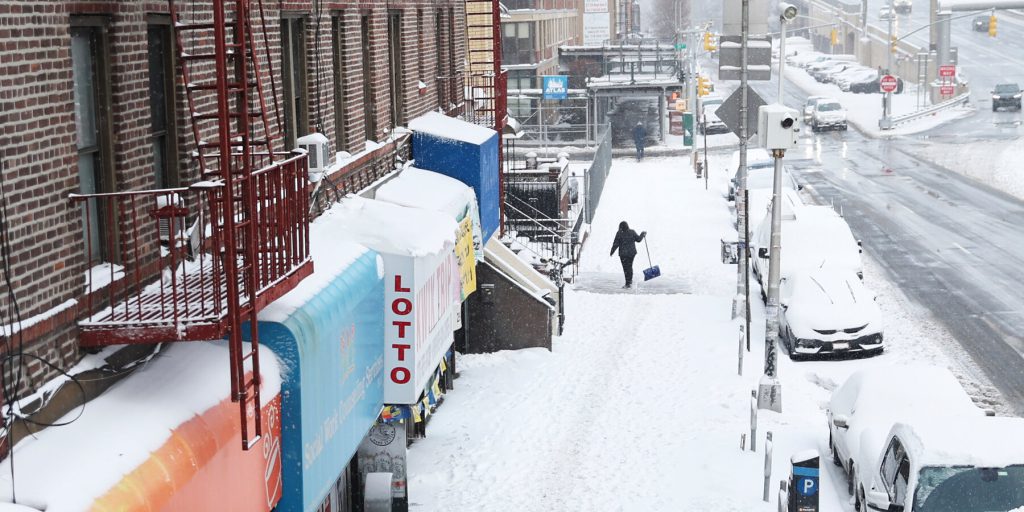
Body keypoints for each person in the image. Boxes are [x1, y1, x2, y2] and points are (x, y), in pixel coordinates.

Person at [610, 221, 646, 288]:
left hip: (623, 254)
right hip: (631, 253)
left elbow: (615, 244)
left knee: (626, 268)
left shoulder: (619, 233)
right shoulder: (632, 232)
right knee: (629, 267)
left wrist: (612, 251)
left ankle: (628, 283)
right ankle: (630, 281)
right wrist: (642, 234)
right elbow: (638, 239)